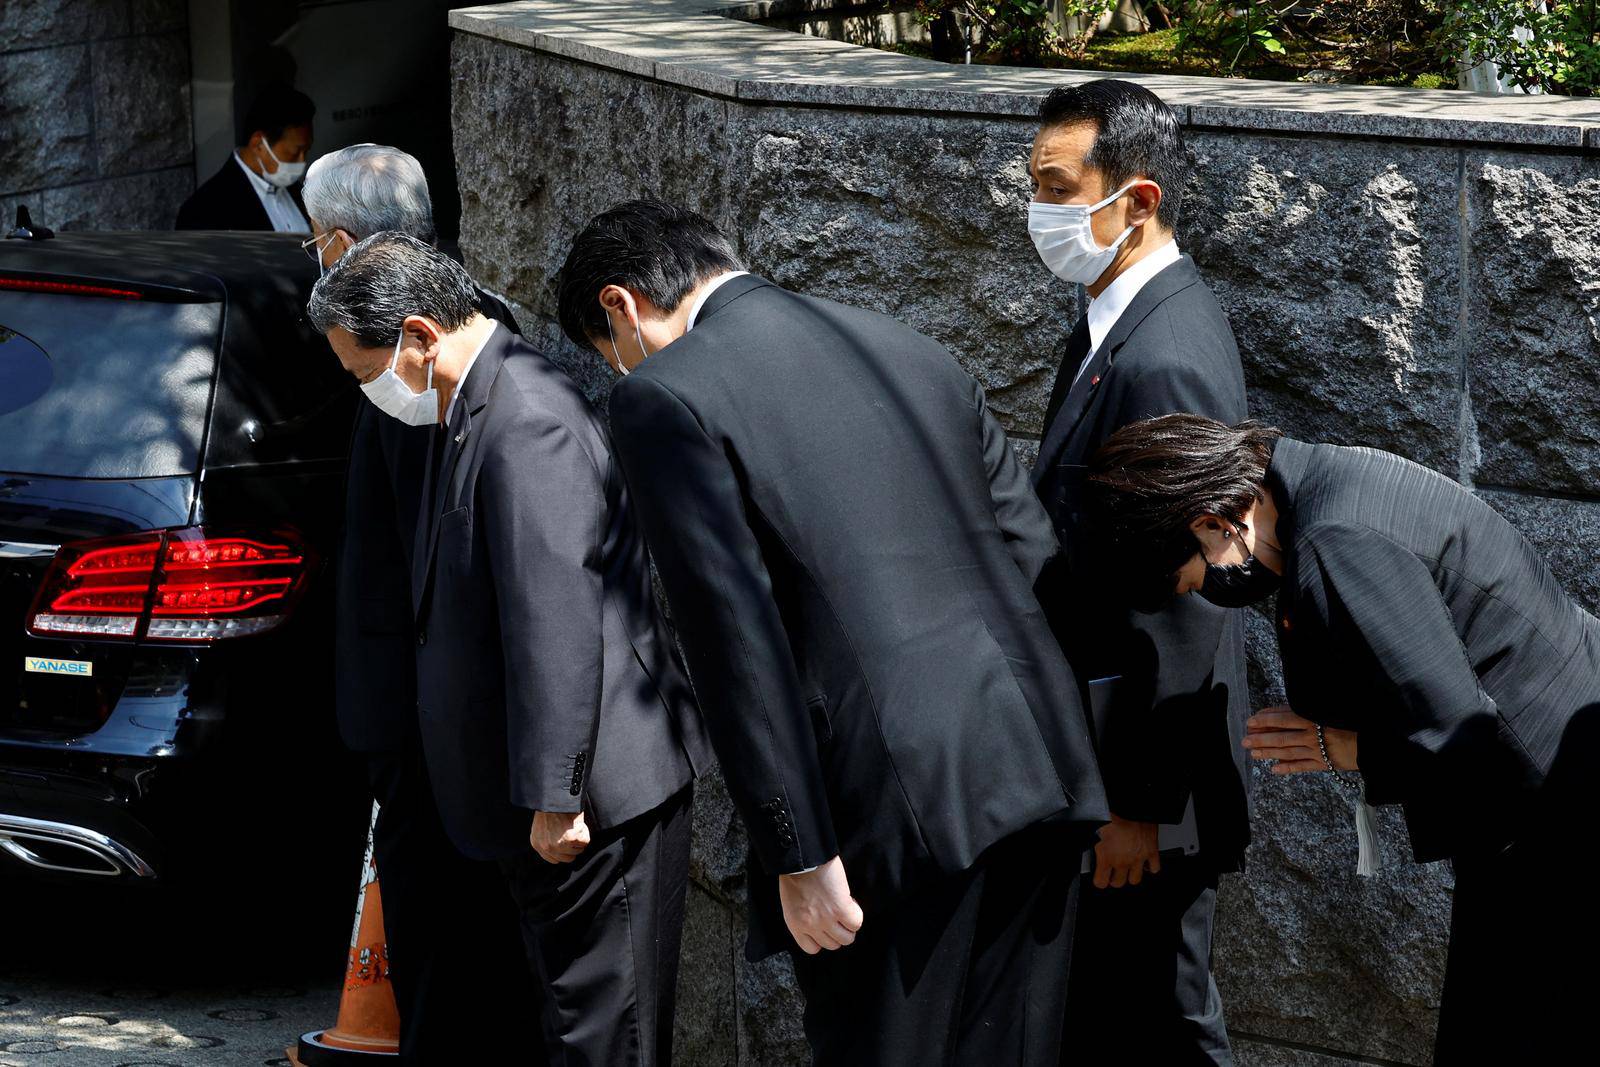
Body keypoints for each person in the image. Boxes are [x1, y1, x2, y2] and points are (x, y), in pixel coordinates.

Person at [556, 199, 1107, 1065]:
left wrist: (799, 852)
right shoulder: (904, 345)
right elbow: (1034, 551)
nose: (619, 369)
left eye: (606, 351)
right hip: (1040, 756)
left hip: (889, 806)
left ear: (621, 307)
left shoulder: (665, 396)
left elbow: (734, 639)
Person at [309, 232, 712, 1066]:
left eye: (363, 370)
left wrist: (554, 794)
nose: (369, 392)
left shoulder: (525, 417)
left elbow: (555, 613)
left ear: (419, 335)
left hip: (589, 804)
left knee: (605, 1036)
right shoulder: (475, 404)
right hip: (541, 805)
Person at [1083, 413, 1598, 1062]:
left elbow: (1459, 735)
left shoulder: (1334, 540)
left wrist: (1345, 746)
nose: (1200, 593)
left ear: (1213, 522)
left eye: (1188, 578)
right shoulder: (1323, 483)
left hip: (1558, 815)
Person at [1025, 78, 1249, 1063]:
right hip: (1109, 756)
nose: (1040, 211)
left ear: (1137, 198)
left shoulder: (1166, 355)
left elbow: (1185, 595)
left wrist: (1136, 803)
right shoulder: (1113, 318)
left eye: (1058, 187)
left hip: (1146, 784)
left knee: (1161, 1022)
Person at [307, 145, 535, 1065]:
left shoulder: (423, 360)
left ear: (341, 239)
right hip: (429, 711)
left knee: (443, 931)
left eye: (316, 241)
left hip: (425, 715)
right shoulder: (459, 321)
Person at [175, 83, 314, 232]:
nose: (302, 162)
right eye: (295, 152)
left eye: (306, 151)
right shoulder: (205, 210)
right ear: (259, 144)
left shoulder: (300, 193)